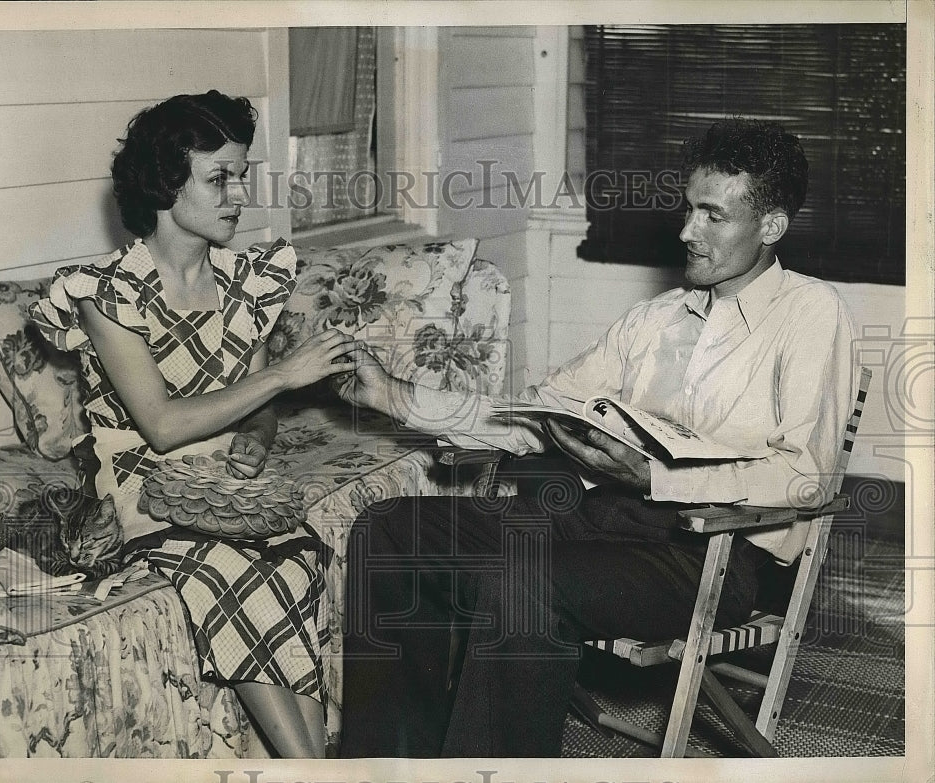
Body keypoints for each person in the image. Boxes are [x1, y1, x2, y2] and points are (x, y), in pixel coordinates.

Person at [333, 118, 858, 757]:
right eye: (688, 209)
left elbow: (804, 478)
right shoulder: (654, 319)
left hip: (707, 554)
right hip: (594, 519)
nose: (688, 232)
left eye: (712, 216)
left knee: (523, 581)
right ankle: (396, 765)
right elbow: (535, 414)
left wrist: (658, 479)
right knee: (393, 532)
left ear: (771, 226)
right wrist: (393, 396)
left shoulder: (811, 316)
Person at [30, 91, 360, 758]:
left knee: (294, 562)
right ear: (165, 182)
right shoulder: (107, 295)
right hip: (141, 490)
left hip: (222, 490)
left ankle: (314, 765)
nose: (239, 194)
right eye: (220, 178)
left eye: (240, 175)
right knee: (228, 569)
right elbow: (160, 425)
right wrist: (282, 377)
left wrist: (256, 437)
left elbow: (259, 406)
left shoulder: (250, 283)